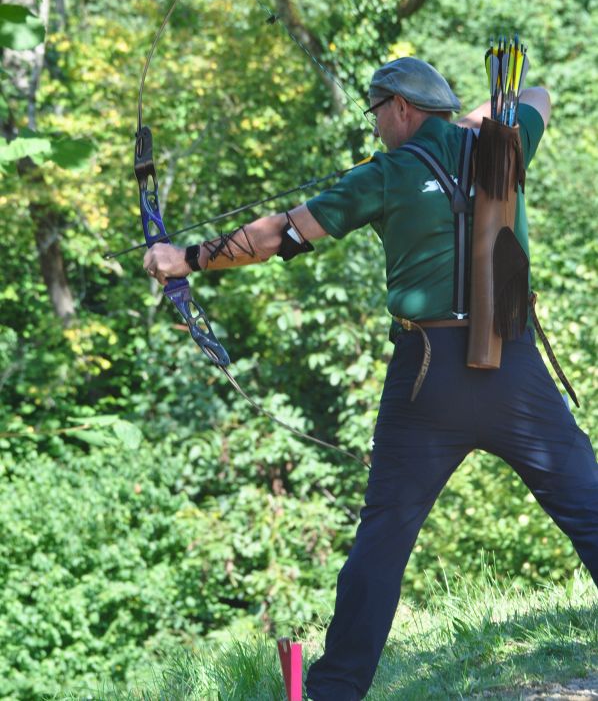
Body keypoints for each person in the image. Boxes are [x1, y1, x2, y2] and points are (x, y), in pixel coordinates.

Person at [143, 57, 598, 701]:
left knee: (383, 539)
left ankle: (335, 691)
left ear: (402, 109)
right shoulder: (505, 143)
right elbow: (540, 93)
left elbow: (280, 235)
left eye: (377, 112)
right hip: (516, 370)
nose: (376, 126)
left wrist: (183, 257)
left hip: (428, 377)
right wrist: (468, 124)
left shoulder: (385, 174)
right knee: (589, 506)